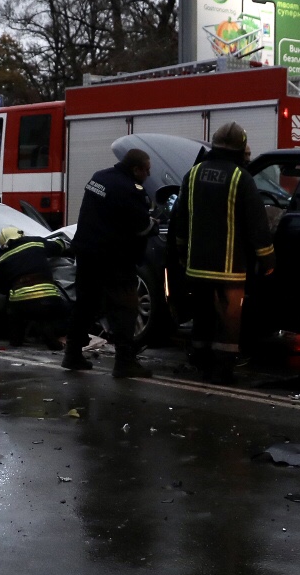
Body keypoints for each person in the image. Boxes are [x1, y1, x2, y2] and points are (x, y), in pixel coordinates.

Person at [169, 122, 273, 383]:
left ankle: (202, 366)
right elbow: (257, 224)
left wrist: (181, 253)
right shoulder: (241, 179)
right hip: (229, 270)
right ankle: (223, 373)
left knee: (202, 318)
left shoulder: (193, 174)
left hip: (196, 267)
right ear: (240, 149)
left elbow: (180, 220)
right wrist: (267, 259)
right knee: (227, 323)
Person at [64, 148, 153, 377]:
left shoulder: (99, 177)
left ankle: (72, 354)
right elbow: (142, 226)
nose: (148, 175)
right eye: (147, 171)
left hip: (86, 252)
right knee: (125, 308)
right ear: (136, 169)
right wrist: (154, 222)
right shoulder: (131, 190)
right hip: (113, 258)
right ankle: (124, 362)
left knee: (85, 304)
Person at [0, 225, 69, 350]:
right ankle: (59, 334)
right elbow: (58, 247)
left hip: (20, 303)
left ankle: (16, 339)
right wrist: (63, 241)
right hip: (47, 299)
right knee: (66, 311)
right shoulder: (35, 242)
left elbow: (1, 287)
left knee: (12, 312)